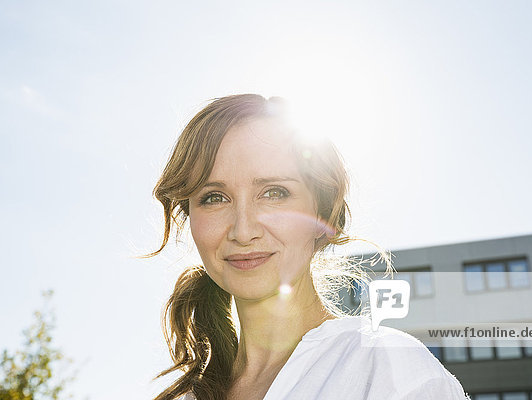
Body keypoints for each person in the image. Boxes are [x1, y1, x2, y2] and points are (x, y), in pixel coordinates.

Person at [141, 94, 469, 400]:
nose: (243, 231)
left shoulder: (392, 374)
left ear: (322, 213)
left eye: (274, 193)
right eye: (214, 198)